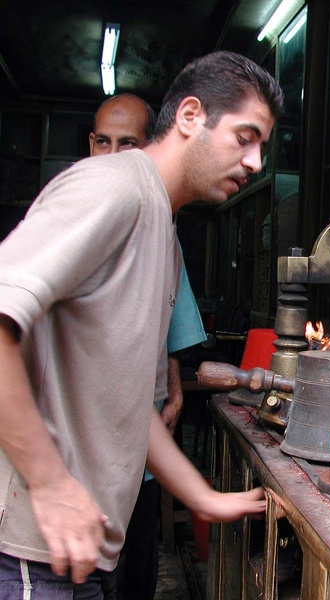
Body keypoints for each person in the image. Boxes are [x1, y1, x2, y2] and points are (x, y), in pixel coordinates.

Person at [0, 51, 284, 597]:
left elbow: (135, 406)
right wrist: (51, 482)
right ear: (190, 116)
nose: (255, 163)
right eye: (245, 137)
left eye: (263, 147)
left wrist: (202, 497)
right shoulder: (113, 188)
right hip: (31, 553)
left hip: (88, 546)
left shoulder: (163, 231)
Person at [88, 93, 207, 600]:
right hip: (82, 444)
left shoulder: (162, 227)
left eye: (127, 144)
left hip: (140, 436)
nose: (113, 156)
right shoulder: (77, 213)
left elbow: (170, 319)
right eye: (102, 143)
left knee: (132, 564)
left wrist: (173, 388)